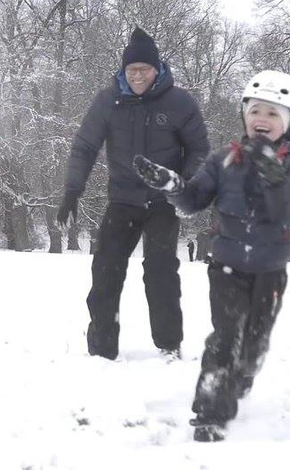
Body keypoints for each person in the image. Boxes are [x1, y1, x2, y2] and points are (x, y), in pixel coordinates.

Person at [134, 70, 290, 442]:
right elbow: (194, 200)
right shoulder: (224, 160)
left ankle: (244, 373)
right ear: (245, 115)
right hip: (227, 266)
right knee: (225, 338)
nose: (262, 119)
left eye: (274, 114)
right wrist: (172, 185)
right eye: (256, 110)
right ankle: (212, 410)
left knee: (253, 345)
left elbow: (289, 213)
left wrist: (273, 176)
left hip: (270, 272)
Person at [57, 26, 210, 361]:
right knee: (106, 269)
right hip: (123, 200)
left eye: (144, 69)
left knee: (161, 271)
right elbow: (85, 146)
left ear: (157, 69)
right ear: (123, 71)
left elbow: (199, 148)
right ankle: (101, 349)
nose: (138, 75)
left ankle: (169, 345)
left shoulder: (179, 102)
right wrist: (72, 190)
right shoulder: (108, 100)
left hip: (162, 202)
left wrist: (180, 184)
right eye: (132, 70)